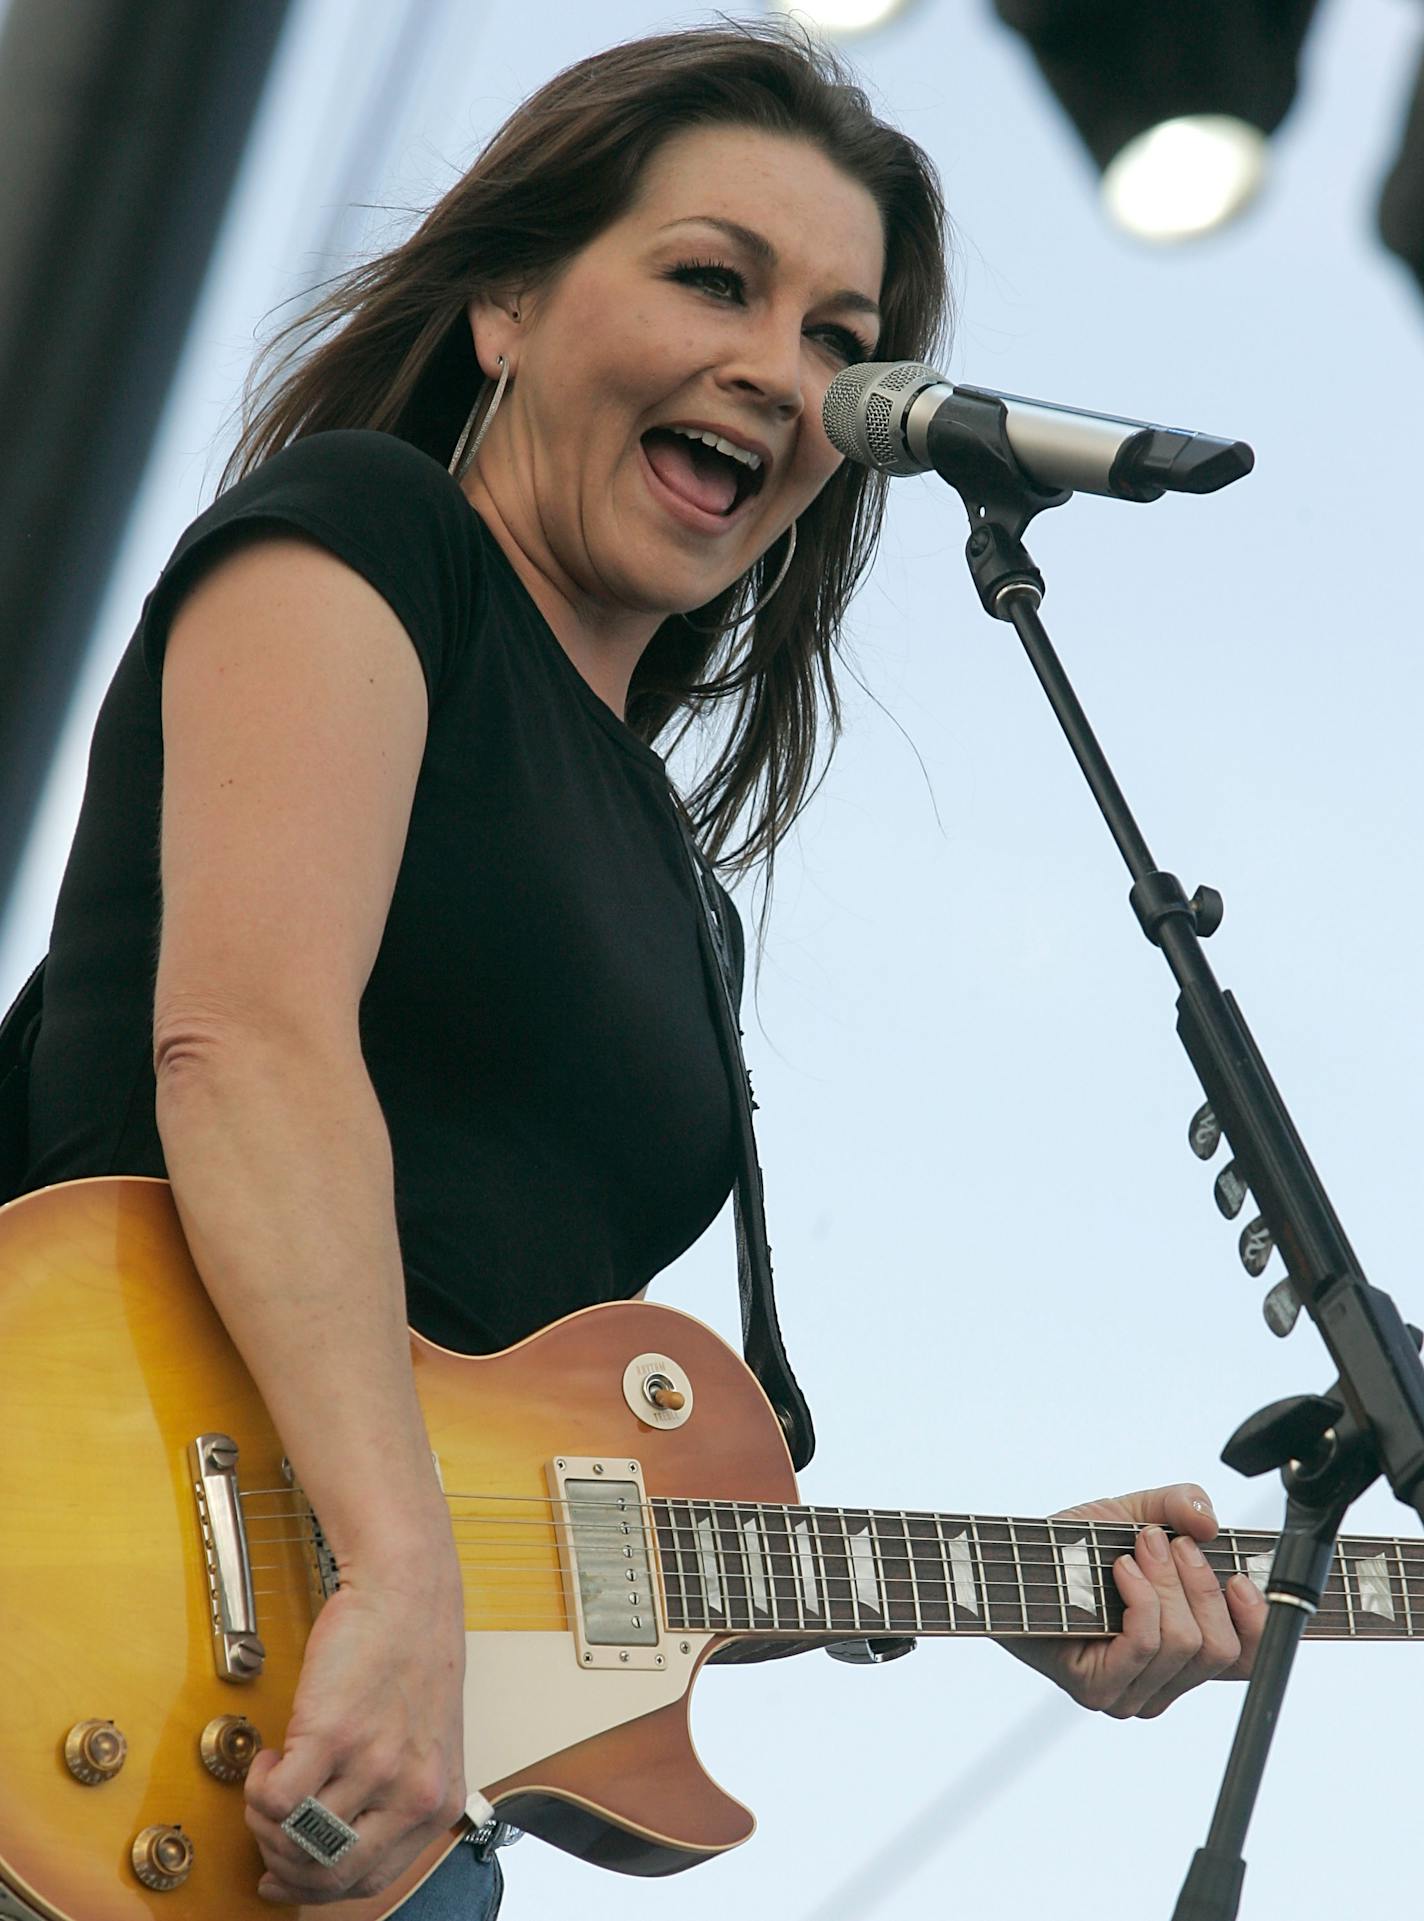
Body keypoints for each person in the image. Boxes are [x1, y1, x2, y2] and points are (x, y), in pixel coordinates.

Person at [17, 20, 1265, 1917]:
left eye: (847, 343)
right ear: (507, 301)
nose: (785, 371)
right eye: (714, 280)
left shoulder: (683, 896)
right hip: (84, 1610)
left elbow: (570, 1512)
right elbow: (243, 1044)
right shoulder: (371, 538)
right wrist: (401, 1577)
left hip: (367, 1791)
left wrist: (1021, 1577)